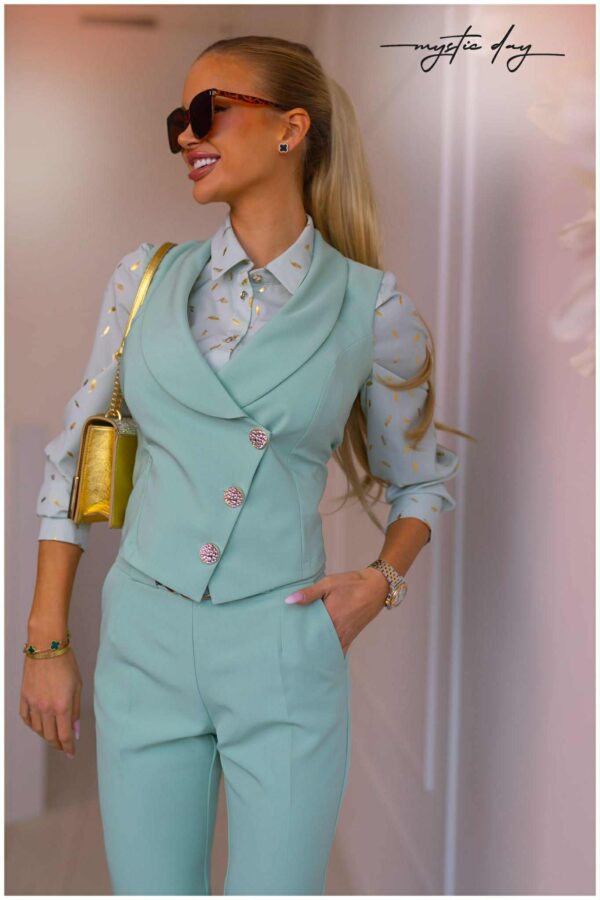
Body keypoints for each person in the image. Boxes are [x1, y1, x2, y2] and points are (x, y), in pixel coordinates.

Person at [21, 35, 464, 895]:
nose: (187, 136)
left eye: (208, 111)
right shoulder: (143, 280)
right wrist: (47, 640)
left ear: (291, 128)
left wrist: (381, 581)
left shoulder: (372, 307)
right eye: (177, 121)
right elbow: (77, 458)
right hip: (144, 641)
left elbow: (421, 478)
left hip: (283, 647)